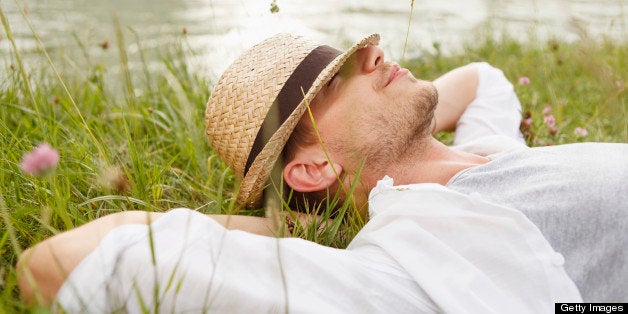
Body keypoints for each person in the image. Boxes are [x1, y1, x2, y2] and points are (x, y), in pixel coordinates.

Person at [17, 33, 625, 312]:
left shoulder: (492, 150)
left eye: (358, 54)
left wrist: (397, 119)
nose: (376, 54)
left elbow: (483, 78)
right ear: (311, 165)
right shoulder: (419, 253)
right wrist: (299, 225)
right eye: (338, 78)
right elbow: (61, 263)